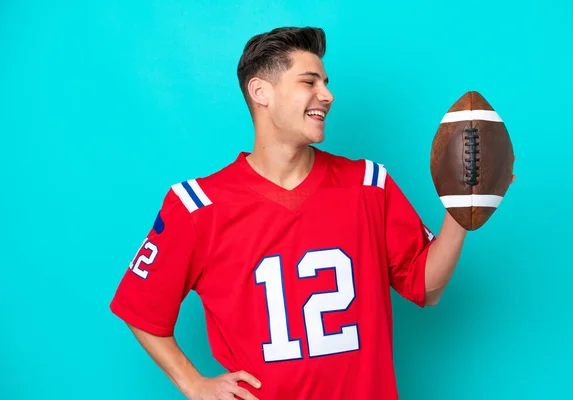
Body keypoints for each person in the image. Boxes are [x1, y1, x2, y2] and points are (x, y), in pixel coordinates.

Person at [110, 26, 474, 400]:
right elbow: (139, 307)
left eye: (326, 82)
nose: (327, 95)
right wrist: (194, 384)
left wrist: (461, 212)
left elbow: (426, 288)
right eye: (309, 81)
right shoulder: (198, 205)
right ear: (260, 92)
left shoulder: (368, 184)